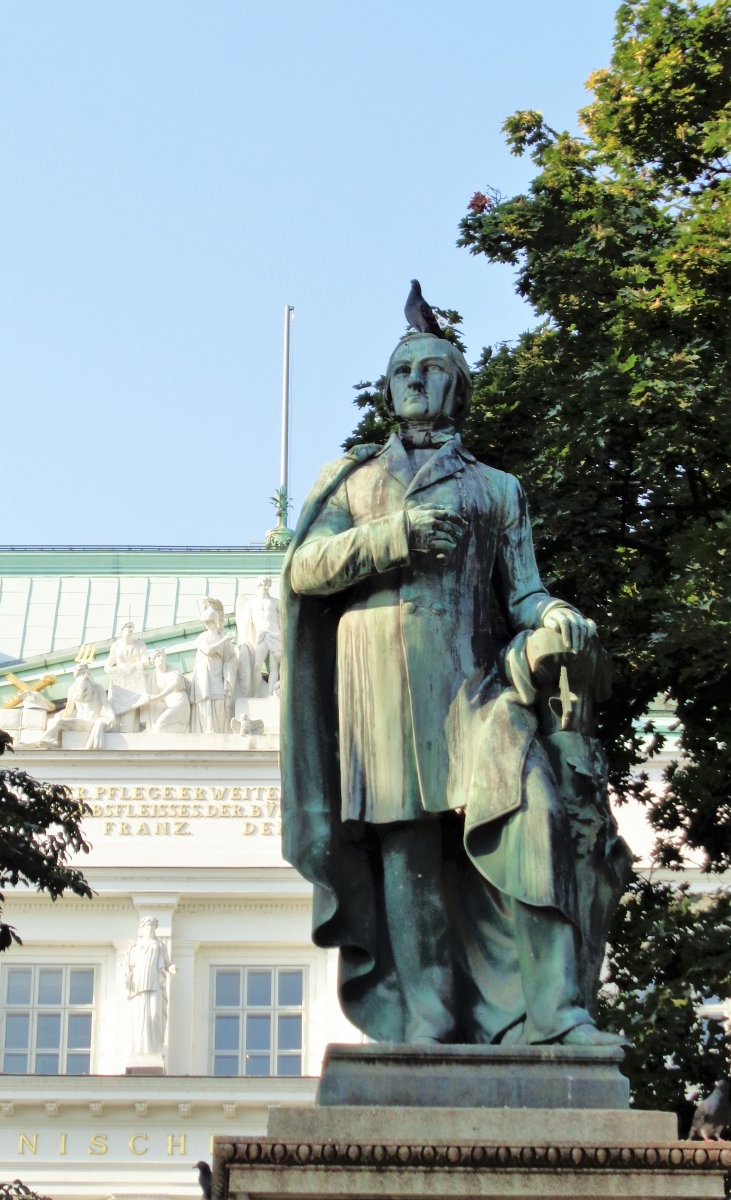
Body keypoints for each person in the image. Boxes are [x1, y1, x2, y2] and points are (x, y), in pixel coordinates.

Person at [280, 330, 629, 1047]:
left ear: (456, 388)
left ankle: (557, 1011)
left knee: (534, 815)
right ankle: (428, 1022)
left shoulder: (496, 488)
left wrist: (556, 612)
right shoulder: (352, 481)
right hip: (376, 691)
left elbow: (523, 592)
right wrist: (394, 536)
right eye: (401, 370)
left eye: (431, 369)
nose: (414, 380)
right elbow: (304, 570)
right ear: (387, 388)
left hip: (474, 686)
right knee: (407, 855)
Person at [125, 916, 176, 1058]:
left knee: (154, 1015)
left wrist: (171, 968)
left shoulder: (159, 945)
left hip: (155, 983)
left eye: (152, 926)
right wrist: (127, 977)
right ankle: (139, 1050)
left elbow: (166, 963)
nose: (150, 929)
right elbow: (129, 966)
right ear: (143, 928)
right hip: (139, 984)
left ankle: (155, 1048)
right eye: (147, 926)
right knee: (139, 1017)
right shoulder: (135, 946)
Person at [40, 662, 115, 750]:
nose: (85, 676)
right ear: (76, 677)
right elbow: (69, 710)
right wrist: (59, 715)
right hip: (79, 722)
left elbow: (107, 707)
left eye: (86, 673)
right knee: (52, 721)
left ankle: (47, 740)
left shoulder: (98, 688)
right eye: (82, 673)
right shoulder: (73, 690)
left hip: (90, 723)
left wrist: (112, 718)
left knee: (58, 722)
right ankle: (48, 741)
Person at [190, 598, 236, 734]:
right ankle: (208, 729)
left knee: (219, 700)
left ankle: (220, 730)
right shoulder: (202, 637)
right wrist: (223, 641)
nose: (210, 624)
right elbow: (208, 650)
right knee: (205, 698)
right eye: (208, 622)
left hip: (218, 670)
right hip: (205, 671)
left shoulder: (223, 636)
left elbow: (230, 657)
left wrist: (230, 667)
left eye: (212, 621)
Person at [236, 576, 282, 696]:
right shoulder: (251, 603)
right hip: (261, 636)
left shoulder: (276, 602)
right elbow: (246, 622)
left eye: (267, 584)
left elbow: (282, 621)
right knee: (257, 666)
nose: (265, 586)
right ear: (258, 585)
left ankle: (271, 694)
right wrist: (242, 639)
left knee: (274, 667)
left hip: (275, 634)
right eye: (263, 584)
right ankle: (255, 693)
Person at [104, 622, 147, 732]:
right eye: (128, 627)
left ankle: (130, 730)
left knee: (132, 708)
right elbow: (108, 664)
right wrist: (109, 669)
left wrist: (132, 666)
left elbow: (145, 662)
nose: (131, 629)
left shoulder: (139, 644)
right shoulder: (116, 646)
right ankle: (119, 729)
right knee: (119, 708)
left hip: (134, 681)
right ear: (121, 630)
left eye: (132, 627)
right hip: (120, 681)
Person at [146, 649, 191, 733]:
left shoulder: (173, 670)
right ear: (153, 661)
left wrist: (157, 697)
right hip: (166, 706)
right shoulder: (152, 677)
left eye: (162, 655)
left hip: (179, 703)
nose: (161, 658)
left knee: (159, 728)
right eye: (158, 656)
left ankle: (185, 728)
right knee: (157, 728)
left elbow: (173, 686)